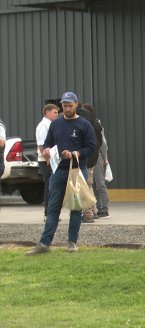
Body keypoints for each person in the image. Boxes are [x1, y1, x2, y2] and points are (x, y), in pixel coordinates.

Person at [26, 92, 96, 255]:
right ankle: (44, 244)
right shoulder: (55, 124)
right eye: (64, 106)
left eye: (70, 105)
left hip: (77, 169)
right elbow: (47, 144)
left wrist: (74, 154)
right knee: (53, 207)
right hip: (58, 170)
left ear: (76, 105)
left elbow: (91, 148)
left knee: (76, 207)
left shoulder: (84, 124)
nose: (67, 108)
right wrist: (47, 150)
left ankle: (72, 242)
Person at [78, 104, 103, 223]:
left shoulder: (79, 122)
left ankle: (87, 213)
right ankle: (94, 209)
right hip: (93, 159)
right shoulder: (95, 122)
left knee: (81, 186)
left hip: (82, 158)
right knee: (88, 185)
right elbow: (101, 142)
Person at [35, 104, 60, 219]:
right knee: (49, 186)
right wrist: (48, 159)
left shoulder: (51, 125)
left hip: (52, 159)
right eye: (55, 112)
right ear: (47, 112)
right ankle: (48, 213)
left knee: (54, 186)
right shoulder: (43, 126)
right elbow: (41, 145)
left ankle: (52, 212)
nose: (57, 114)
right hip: (47, 161)